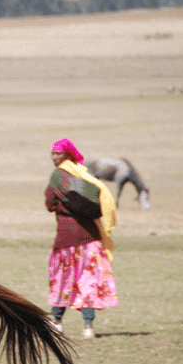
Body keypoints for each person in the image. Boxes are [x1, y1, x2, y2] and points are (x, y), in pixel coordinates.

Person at [45, 138, 118, 339]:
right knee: (89, 282)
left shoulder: (57, 177)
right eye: (52, 154)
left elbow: (49, 203)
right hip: (91, 239)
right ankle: (88, 327)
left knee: (61, 281)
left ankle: (57, 323)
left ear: (67, 155)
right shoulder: (84, 175)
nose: (54, 158)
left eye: (57, 153)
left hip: (66, 240)